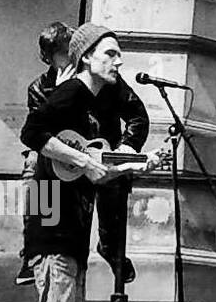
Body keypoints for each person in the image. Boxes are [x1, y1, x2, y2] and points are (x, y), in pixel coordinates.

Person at [20, 24, 160, 302]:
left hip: (73, 232)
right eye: (112, 54)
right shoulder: (71, 94)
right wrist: (82, 159)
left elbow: (99, 172)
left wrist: (141, 161)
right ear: (87, 58)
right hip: (53, 233)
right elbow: (31, 132)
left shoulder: (99, 104)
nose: (119, 62)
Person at [15, 21, 149, 287]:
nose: (69, 60)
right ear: (49, 58)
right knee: (33, 166)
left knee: (113, 179)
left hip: (102, 150)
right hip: (64, 163)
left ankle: (112, 247)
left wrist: (126, 148)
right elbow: (38, 134)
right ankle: (32, 252)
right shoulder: (42, 88)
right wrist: (62, 93)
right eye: (62, 55)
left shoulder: (106, 79)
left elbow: (137, 114)